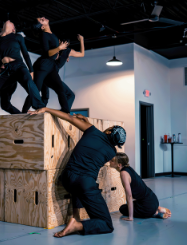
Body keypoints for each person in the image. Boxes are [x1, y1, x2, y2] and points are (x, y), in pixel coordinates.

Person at [28, 108, 126, 237]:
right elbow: (100, 144)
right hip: (84, 183)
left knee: (79, 185)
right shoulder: (112, 152)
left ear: (108, 131)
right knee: (107, 224)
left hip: (66, 178)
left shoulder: (92, 130)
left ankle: (75, 216)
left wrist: (45, 109)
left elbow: (70, 118)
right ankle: (77, 225)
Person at [0, 20, 45, 116]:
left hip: (19, 66)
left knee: (29, 83)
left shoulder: (17, 37)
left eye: (12, 22)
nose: (9, 21)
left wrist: (31, 70)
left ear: (13, 29)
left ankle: (40, 108)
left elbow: (25, 54)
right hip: (6, 70)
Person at [22, 16, 85, 113]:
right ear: (42, 27)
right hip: (43, 66)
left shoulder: (53, 35)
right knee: (36, 89)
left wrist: (61, 52)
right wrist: (59, 48)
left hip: (51, 67)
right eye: (41, 20)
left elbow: (55, 52)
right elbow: (47, 53)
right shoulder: (44, 35)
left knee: (60, 88)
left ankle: (65, 112)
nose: (43, 18)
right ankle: (24, 111)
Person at [109, 153, 171, 220]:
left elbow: (129, 196)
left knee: (122, 209)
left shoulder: (123, 173)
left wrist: (130, 217)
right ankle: (157, 208)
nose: (110, 161)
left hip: (147, 206)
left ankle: (155, 213)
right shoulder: (128, 168)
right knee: (131, 205)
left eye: (112, 160)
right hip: (153, 200)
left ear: (119, 165)